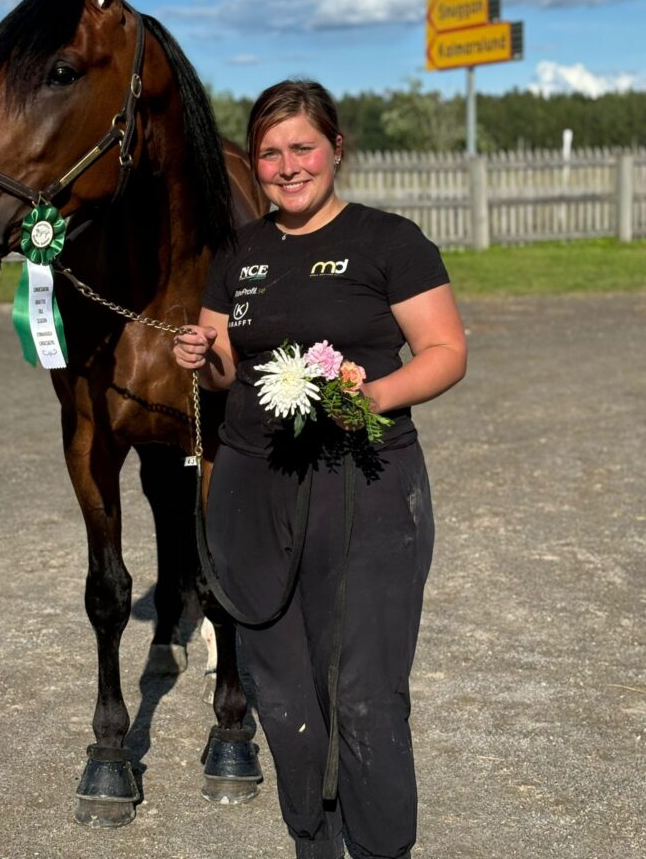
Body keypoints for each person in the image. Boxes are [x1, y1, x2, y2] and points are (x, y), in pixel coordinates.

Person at [173, 79, 467, 859]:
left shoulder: (388, 241)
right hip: (251, 488)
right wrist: (202, 358)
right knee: (280, 690)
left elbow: (445, 354)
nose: (286, 165)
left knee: (363, 694)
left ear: (337, 149)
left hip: (363, 488)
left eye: (303, 146)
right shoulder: (238, 253)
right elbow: (225, 371)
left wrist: (376, 390)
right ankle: (312, 844)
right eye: (269, 152)